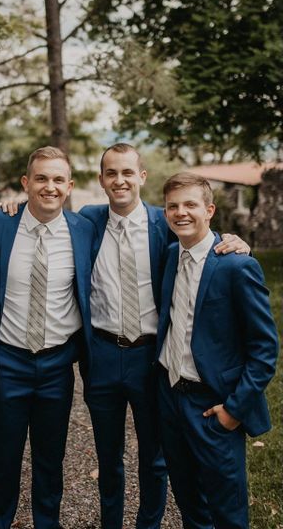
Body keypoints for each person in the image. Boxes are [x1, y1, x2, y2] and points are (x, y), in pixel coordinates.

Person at [78, 144, 250, 529]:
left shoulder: (165, 223)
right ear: (101, 179)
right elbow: (44, 216)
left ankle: (149, 523)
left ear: (142, 176)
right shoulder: (87, 220)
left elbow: (201, 239)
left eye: (127, 172)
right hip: (103, 354)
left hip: (150, 357)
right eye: (111, 173)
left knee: (155, 457)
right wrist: (13, 209)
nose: (119, 180)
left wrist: (234, 241)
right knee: (108, 455)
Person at [0, 146, 95, 529]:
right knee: (3, 456)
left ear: (70, 186)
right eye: (41, 178)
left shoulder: (85, 229)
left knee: (50, 456)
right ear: (26, 183)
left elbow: (147, 226)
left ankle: (48, 522)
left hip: (56, 362)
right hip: (8, 361)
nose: (49, 187)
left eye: (58, 179)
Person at [156, 172, 278, 529]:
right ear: (165, 214)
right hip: (171, 398)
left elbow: (265, 347)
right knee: (189, 502)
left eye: (191, 205)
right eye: (173, 206)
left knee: (227, 508)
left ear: (209, 210)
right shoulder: (168, 257)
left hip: (213, 405)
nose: (181, 212)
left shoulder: (237, 265)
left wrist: (234, 410)